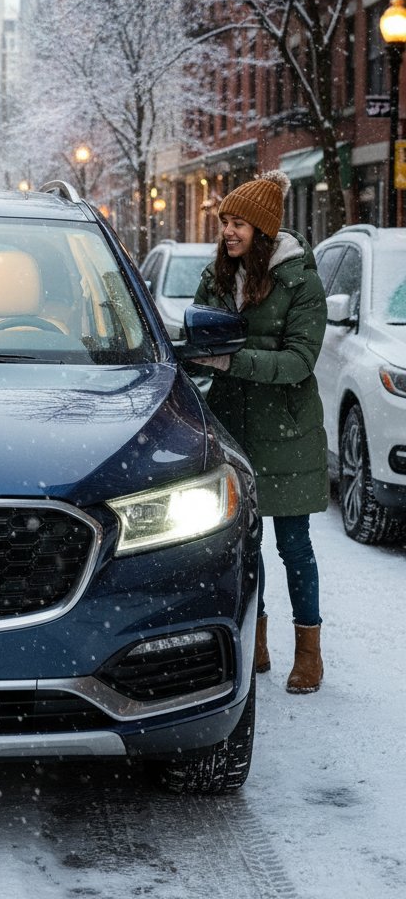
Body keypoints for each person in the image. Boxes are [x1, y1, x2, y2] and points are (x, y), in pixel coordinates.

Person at [190, 169, 327, 693]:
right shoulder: (217, 276)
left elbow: (299, 361)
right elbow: (200, 336)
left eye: (239, 223)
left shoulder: (301, 282)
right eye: (225, 221)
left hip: (287, 432)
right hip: (232, 429)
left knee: (294, 545)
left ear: (263, 230)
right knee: (246, 546)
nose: (228, 231)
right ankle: (257, 641)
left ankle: (310, 653)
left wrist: (232, 361)